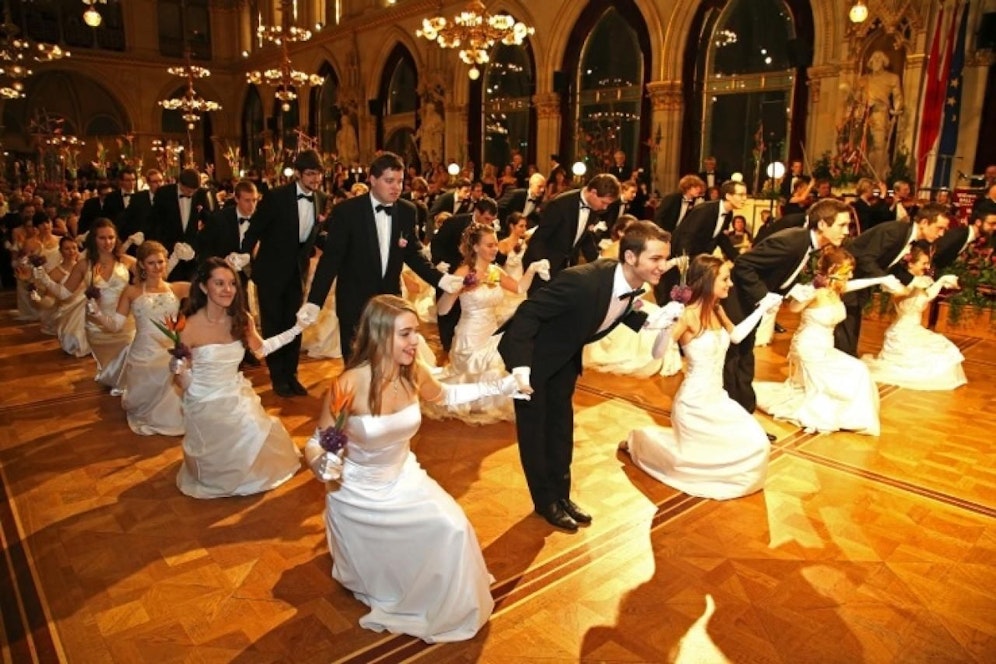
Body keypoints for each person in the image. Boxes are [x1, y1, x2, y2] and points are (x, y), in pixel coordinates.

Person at [304, 295, 523, 642]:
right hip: (358, 492)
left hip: (404, 475)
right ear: (379, 336)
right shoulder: (348, 385)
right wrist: (322, 464)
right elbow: (318, 441)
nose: (415, 342)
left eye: (416, 333)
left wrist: (504, 385)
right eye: (406, 334)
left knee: (454, 527)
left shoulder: (413, 373)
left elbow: (447, 396)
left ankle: (449, 604)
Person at [498, 221, 677, 532]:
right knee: (535, 435)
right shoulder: (581, 280)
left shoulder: (631, 282)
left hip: (565, 360)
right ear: (631, 257)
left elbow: (612, 308)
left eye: (665, 258)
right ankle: (545, 503)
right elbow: (528, 313)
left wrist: (649, 322)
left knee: (561, 430)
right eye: (656, 259)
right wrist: (521, 367)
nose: (663, 266)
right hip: (533, 362)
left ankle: (561, 496)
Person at [621, 255, 771, 499]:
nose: (730, 284)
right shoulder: (686, 315)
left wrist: (762, 307)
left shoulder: (717, 309)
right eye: (725, 278)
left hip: (717, 399)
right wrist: (668, 324)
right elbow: (657, 353)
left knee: (757, 443)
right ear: (708, 281)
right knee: (697, 459)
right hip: (693, 406)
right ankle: (640, 444)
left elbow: (736, 336)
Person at [302, 151, 463, 361]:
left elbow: (413, 255)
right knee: (356, 364)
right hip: (354, 302)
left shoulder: (407, 211)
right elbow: (330, 260)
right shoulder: (347, 212)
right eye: (389, 181)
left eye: (400, 181)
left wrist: (441, 279)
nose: (396, 187)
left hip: (390, 302)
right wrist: (314, 302)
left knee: (389, 362)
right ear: (372, 180)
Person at [172, 258, 303, 498]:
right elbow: (181, 379)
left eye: (232, 283)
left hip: (234, 393)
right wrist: (180, 371)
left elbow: (261, 350)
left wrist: (296, 329)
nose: (228, 289)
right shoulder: (187, 326)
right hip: (201, 398)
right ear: (203, 287)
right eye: (219, 283)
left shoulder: (241, 319)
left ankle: (249, 474)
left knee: (252, 425)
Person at [722, 199, 857, 414]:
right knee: (733, 360)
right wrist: (763, 297)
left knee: (744, 359)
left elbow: (779, 273)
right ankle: (730, 416)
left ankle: (743, 415)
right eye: (842, 225)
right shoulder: (792, 241)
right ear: (822, 224)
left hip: (752, 304)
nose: (846, 231)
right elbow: (743, 264)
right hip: (738, 302)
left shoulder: (808, 246)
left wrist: (791, 290)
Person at [425, 223, 548, 424]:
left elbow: (518, 288)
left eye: (496, 245)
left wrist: (533, 269)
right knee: (485, 367)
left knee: (503, 361)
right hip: (470, 335)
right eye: (489, 245)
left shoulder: (495, 271)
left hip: (491, 330)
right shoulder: (463, 272)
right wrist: (459, 288)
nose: (495, 249)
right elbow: (443, 310)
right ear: (475, 248)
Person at [754, 246, 882, 435]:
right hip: (809, 349)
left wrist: (881, 279)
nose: (852, 275)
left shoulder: (836, 289)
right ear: (833, 271)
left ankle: (852, 417)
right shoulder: (815, 291)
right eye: (847, 271)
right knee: (857, 371)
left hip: (826, 349)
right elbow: (794, 308)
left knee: (859, 369)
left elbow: (857, 284)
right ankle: (844, 416)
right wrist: (810, 290)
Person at [242, 150, 327, 397]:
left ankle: (292, 375)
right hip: (270, 272)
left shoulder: (321, 198)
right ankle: (277, 377)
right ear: (298, 174)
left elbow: (314, 234)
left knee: (294, 325)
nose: (315, 179)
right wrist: (243, 260)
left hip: (297, 273)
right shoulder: (276, 197)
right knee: (273, 325)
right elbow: (254, 230)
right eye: (310, 174)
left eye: (318, 174)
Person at [92, 241, 189, 435]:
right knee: (144, 401)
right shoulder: (132, 291)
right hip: (144, 353)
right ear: (142, 265)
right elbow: (116, 325)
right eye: (151, 263)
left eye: (160, 262)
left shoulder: (177, 288)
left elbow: (208, 292)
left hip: (171, 353)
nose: (157, 267)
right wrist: (97, 313)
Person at [834, 203, 951, 357]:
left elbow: (889, 263)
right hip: (849, 278)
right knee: (847, 324)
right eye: (939, 228)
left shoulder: (907, 237)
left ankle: (846, 359)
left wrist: (913, 281)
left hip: (862, 282)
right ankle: (844, 362)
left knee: (851, 323)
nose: (941, 234)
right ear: (924, 223)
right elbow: (865, 257)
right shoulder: (895, 231)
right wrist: (885, 279)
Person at [36, 218, 137, 390]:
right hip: (97, 326)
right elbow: (64, 293)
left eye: (111, 237)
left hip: (125, 322)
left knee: (127, 361)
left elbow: (152, 281)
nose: (108, 242)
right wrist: (43, 277)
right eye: (102, 238)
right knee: (110, 367)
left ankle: (127, 393)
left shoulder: (127, 261)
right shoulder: (84, 265)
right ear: (94, 240)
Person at [862, 246, 966, 390]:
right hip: (904, 330)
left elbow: (927, 296)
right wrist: (911, 287)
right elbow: (904, 303)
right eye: (923, 263)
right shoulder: (900, 285)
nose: (927, 267)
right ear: (911, 263)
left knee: (944, 348)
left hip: (915, 328)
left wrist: (941, 281)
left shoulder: (922, 280)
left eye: (927, 263)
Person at [522, 173, 620, 289]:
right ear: (593, 193)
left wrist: (599, 263)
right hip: (542, 265)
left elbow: (585, 237)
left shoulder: (593, 207)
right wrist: (541, 263)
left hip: (565, 267)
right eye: (604, 202)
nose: (605, 208)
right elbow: (539, 238)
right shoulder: (560, 204)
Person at [859, 50, 904, 178]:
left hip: (880, 113)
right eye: (874, 59)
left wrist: (896, 109)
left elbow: (898, 96)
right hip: (864, 115)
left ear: (884, 62)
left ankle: (878, 176)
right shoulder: (864, 80)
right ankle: (865, 175)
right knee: (865, 146)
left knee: (879, 145)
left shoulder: (892, 78)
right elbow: (857, 97)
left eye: (879, 59)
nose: (876, 62)